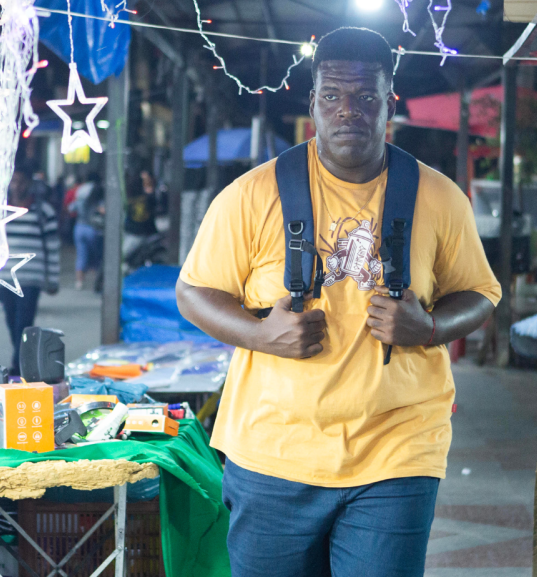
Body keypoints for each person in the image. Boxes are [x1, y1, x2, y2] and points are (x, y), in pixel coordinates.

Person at [175, 27, 501, 577]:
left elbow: (482, 293)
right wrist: (258, 335)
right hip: (272, 450)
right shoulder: (252, 195)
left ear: (389, 104)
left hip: (397, 449)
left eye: (365, 97)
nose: (348, 111)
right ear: (313, 104)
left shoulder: (439, 197)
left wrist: (430, 328)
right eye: (332, 96)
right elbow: (192, 291)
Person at [0, 165, 60, 373]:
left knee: (24, 322)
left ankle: (18, 365)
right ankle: (23, 360)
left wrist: (53, 279)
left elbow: (53, 247)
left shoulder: (43, 212)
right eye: (13, 181)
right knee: (11, 321)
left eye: (21, 181)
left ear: (29, 183)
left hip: (31, 278)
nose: (17, 186)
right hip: (5, 277)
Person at [72, 173, 104, 290]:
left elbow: (72, 207)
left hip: (79, 226)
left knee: (81, 255)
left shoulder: (80, 190)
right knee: (97, 257)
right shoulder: (99, 189)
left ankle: (79, 282)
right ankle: (97, 281)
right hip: (94, 228)